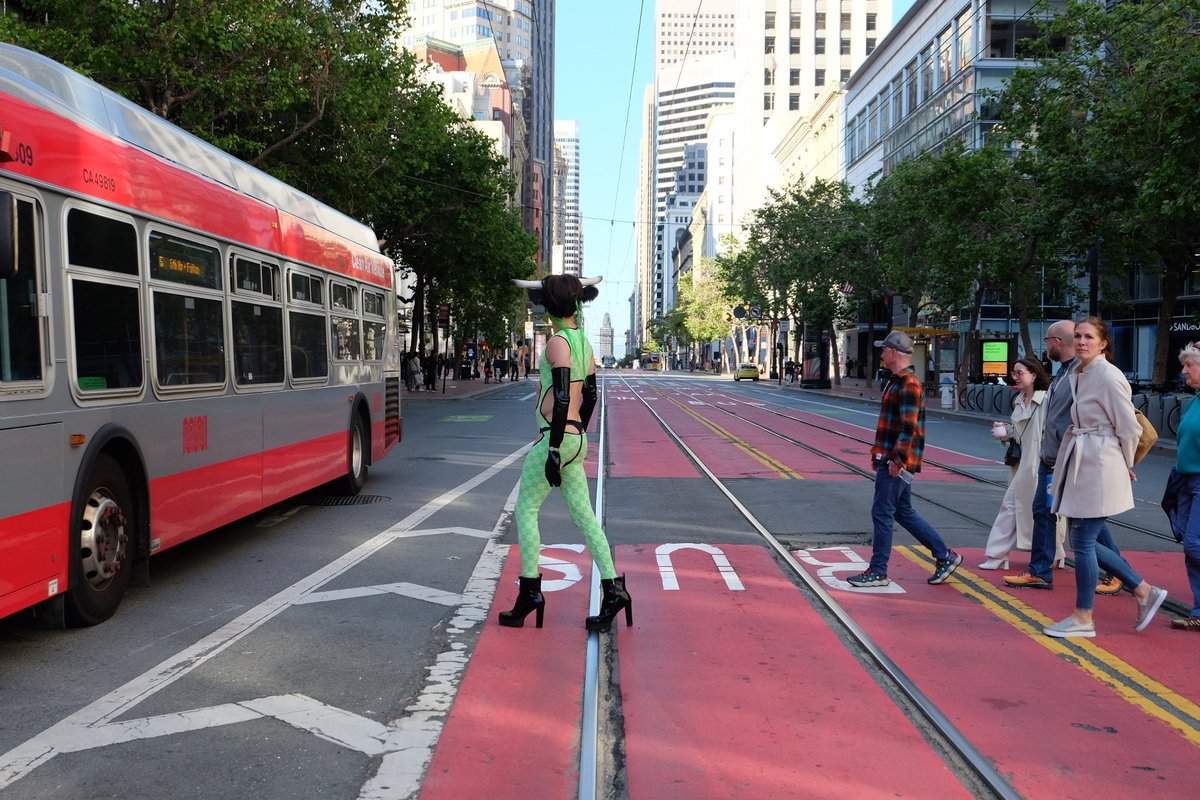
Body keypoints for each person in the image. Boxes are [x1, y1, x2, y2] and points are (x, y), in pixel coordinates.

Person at [499, 274, 632, 632]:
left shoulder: (558, 342)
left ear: (548, 304)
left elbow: (559, 397)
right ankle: (614, 590)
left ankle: (530, 592)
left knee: (526, 510)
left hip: (554, 439)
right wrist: (577, 433)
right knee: (585, 518)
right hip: (576, 437)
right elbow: (589, 396)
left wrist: (555, 447)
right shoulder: (584, 344)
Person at [1042, 317, 1167, 638]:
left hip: (1098, 461)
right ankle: (1141, 590)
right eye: (1079, 336)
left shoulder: (1108, 376)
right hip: (1085, 458)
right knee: (1081, 540)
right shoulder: (1082, 373)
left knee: (1082, 542)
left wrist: (1123, 462)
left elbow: (1129, 427)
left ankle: (1085, 616)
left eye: (1089, 337)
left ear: (1103, 343)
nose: (1082, 341)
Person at [1005, 322, 1124, 594]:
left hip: (1066, 459)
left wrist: (1122, 460)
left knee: (1085, 521)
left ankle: (1122, 574)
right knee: (1047, 512)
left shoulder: (1083, 373)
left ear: (1057, 341)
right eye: (1079, 337)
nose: (1046, 346)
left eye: (1047, 340)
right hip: (1055, 458)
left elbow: (1108, 421)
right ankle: (1040, 570)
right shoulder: (1064, 372)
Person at [848, 330, 962, 588]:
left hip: (896, 462)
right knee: (903, 511)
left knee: (882, 512)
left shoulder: (908, 383)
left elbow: (908, 427)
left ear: (893, 353)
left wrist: (896, 460)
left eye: (884, 350)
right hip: (893, 459)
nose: (881, 354)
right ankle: (944, 555)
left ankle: (879, 571)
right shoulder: (897, 381)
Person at [979, 356, 1064, 569]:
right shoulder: (1018, 400)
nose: (1015, 377)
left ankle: (1000, 555)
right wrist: (1005, 432)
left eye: (1020, 372)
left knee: (1040, 511)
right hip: (1024, 465)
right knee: (1019, 508)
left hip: (1041, 464)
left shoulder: (1045, 400)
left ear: (1034, 375)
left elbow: (1053, 431)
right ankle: (999, 555)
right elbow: (1019, 434)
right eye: (1014, 372)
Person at [1169, 342, 1200, 630]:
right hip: (1186, 479)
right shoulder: (1195, 399)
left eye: (1190, 365)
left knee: (1194, 543)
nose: (1184, 371)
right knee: (1189, 546)